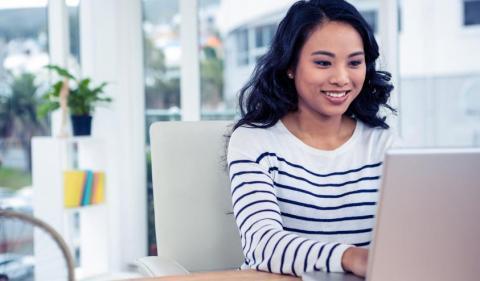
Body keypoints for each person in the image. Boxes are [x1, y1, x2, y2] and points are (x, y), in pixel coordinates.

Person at [227, 0, 396, 278]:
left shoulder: (384, 144)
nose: (341, 78)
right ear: (290, 66)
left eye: (354, 62)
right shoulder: (254, 141)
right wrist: (349, 256)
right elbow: (261, 245)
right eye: (322, 62)